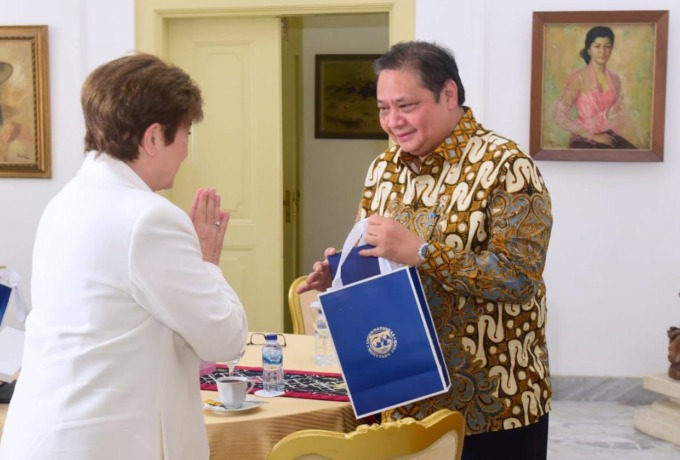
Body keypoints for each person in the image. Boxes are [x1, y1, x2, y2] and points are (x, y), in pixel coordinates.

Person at [300, 41, 553, 460]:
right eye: (383, 108)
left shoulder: (508, 166)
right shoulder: (384, 168)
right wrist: (342, 273)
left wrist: (422, 253)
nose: (392, 121)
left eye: (405, 105)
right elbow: (380, 259)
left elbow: (519, 279)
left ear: (448, 94)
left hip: (494, 403)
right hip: (401, 397)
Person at [0, 53, 248, 460]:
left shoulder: (67, 201)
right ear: (153, 138)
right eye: (185, 134)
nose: (186, 150)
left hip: (48, 434)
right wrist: (207, 263)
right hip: (107, 443)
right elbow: (225, 338)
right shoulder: (148, 219)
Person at [554, 25, 637, 149]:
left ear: (611, 49)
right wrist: (592, 136)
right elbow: (559, 116)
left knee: (634, 154)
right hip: (584, 139)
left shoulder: (615, 79)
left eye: (607, 46)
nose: (602, 51)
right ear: (589, 50)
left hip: (608, 135)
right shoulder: (578, 78)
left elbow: (616, 112)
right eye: (597, 46)